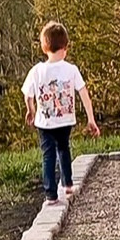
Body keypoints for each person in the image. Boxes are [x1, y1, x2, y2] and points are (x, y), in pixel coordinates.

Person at [22, 21, 100, 205]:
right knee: (64, 149)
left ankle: (50, 194)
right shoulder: (71, 69)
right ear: (65, 47)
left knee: (48, 155)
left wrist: (31, 110)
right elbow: (84, 94)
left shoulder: (36, 71)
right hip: (65, 120)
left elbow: (28, 95)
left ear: (44, 47)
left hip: (45, 122)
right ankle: (67, 184)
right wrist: (91, 119)